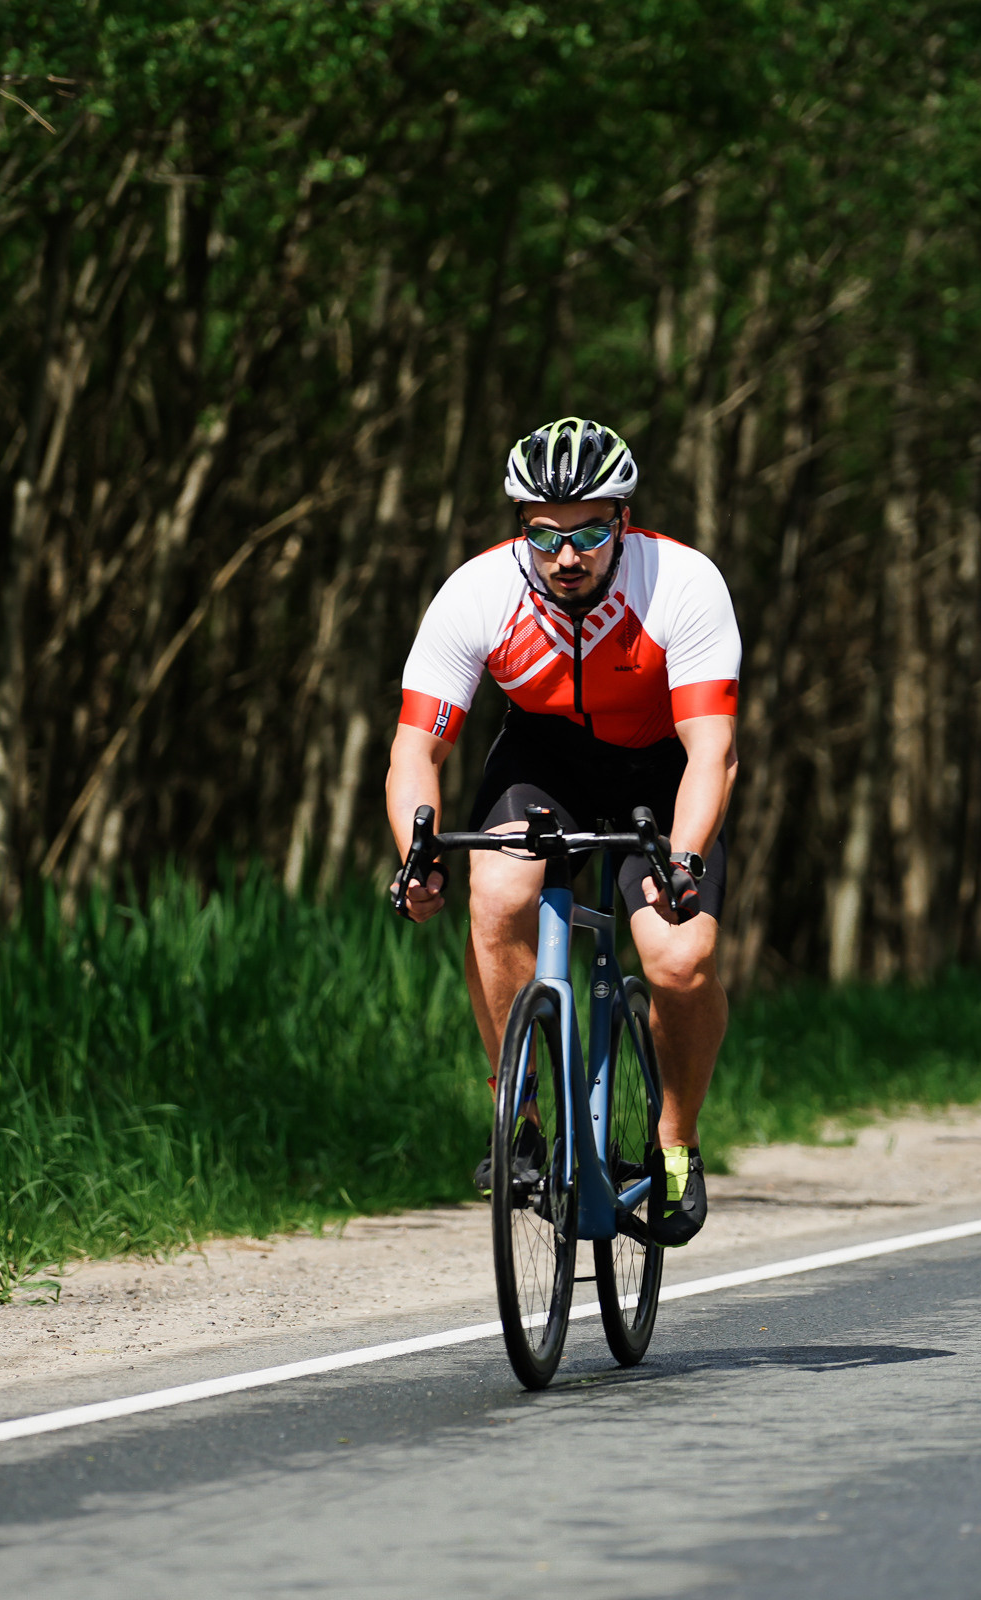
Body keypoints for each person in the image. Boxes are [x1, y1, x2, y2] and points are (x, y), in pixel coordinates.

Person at [384, 418, 739, 1247]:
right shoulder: (478, 593)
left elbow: (712, 750)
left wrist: (684, 860)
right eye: (544, 535)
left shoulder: (681, 583)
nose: (566, 555)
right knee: (497, 892)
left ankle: (677, 1142)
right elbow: (415, 748)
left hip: (662, 768)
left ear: (622, 521)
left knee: (681, 960)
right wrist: (414, 854)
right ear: (522, 528)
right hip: (546, 759)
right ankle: (522, 1119)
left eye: (586, 532)